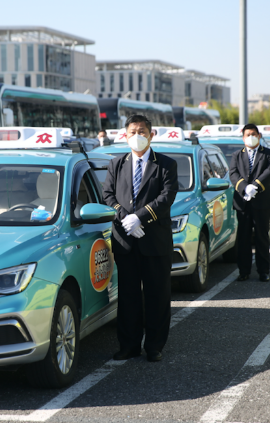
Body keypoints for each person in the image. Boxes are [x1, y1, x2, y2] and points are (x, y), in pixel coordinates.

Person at [102, 114, 178, 363]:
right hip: (126, 241)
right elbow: (108, 195)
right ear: (125, 136)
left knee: (157, 295)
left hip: (154, 240)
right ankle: (129, 345)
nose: (137, 136)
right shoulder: (116, 163)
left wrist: (141, 217)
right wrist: (125, 218)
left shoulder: (165, 164)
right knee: (128, 297)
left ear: (151, 134)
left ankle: (155, 345)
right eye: (132, 132)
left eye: (142, 131)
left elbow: (167, 196)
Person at [229, 123, 270, 282]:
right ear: (243, 138)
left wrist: (255, 186)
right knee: (243, 238)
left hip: (262, 201)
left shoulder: (268, 153)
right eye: (248, 134)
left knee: (262, 237)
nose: (251, 137)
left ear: (259, 136)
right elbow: (233, 173)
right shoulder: (237, 155)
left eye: (254, 134)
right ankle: (244, 271)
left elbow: (269, 171)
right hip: (243, 203)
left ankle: (264, 270)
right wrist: (244, 188)